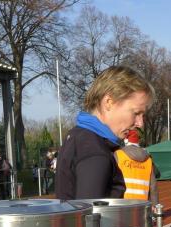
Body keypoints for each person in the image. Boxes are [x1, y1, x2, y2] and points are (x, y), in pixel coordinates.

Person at [55, 65, 154, 200]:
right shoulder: (95, 151)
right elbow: (90, 211)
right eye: (136, 113)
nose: (140, 123)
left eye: (142, 115)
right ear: (108, 102)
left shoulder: (77, 136)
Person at [116, 129, 159, 204]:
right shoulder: (148, 159)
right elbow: (153, 186)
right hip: (142, 203)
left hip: (122, 202)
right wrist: (155, 204)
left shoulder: (118, 154)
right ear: (137, 141)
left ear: (126, 140)